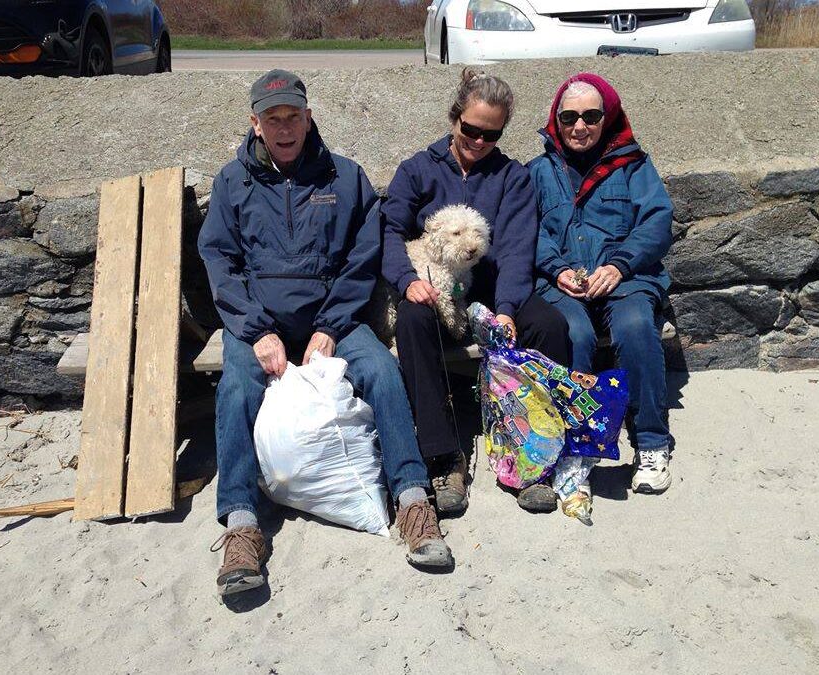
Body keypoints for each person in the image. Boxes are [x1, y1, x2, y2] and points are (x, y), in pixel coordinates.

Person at [198, 69, 453, 597]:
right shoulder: (232, 183)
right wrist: (256, 330)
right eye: (274, 119)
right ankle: (242, 526)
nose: (285, 128)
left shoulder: (344, 178)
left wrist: (331, 327)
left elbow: (361, 260)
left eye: (294, 117)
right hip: (258, 326)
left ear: (309, 117)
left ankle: (411, 500)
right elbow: (219, 262)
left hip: (330, 320)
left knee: (382, 370)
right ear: (256, 123)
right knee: (235, 388)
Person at [382, 68, 571, 517]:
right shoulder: (417, 170)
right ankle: (444, 457)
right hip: (433, 289)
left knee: (548, 325)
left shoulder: (512, 177)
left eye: (492, 133)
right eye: (471, 129)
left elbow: (517, 248)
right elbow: (388, 229)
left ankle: (534, 458)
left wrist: (506, 309)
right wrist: (408, 282)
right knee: (412, 322)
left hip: (490, 293)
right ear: (454, 119)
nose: (479, 141)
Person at [529, 73, 674, 498]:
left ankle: (650, 442)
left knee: (633, 327)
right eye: (570, 116)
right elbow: (524, 229)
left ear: (606, 118)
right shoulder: (537, 172)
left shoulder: (634, 166)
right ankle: (578, 451)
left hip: (625, 279)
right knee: (574, 333)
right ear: (556, 120)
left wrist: (620, 265)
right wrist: (555, 269)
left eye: (591, 116)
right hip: (562, 282)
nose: (580, 126)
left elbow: (656, 221)